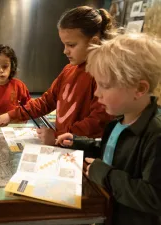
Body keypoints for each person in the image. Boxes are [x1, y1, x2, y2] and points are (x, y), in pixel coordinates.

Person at [56, 33, 161, 225]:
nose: (97, 93)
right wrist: (81, 143)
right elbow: (112, 151)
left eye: (104, 86)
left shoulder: (156, 135)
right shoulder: (118, 122)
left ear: (139, 89)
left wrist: (104, 174)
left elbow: (154, 198)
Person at [0, 6, 114, 145]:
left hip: (79, 154)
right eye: (64, 45)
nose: (65, 51)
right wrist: (11, 115)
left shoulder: (102, 76)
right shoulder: (68, 70)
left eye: (71, 45)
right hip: (62, 145)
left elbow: (97, 122)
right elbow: (47, 101)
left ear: (94, 43)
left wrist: (57, 137)